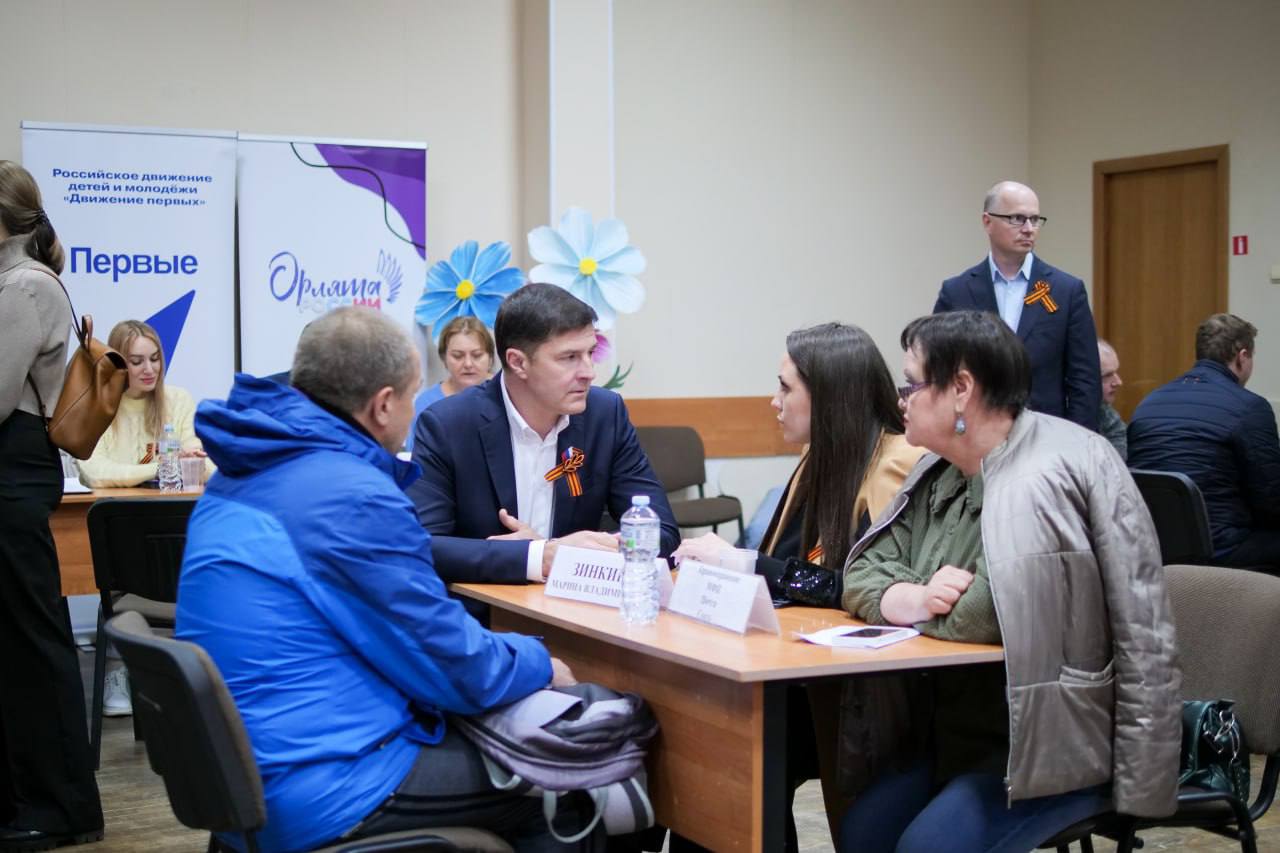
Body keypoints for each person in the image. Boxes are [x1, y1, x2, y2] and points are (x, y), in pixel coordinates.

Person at [175, 306, 600, 853]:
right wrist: (541, 662)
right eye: (411, 397)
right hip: (325, 783)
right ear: (382, 405)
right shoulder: (348, 495)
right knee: (574, 783)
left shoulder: (245, 469)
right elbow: (451, 665)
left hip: (241, 775)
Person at [838, 310, 1180, 853]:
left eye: (912, 384)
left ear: (961, 389)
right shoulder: (939, 469)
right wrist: (913, 596)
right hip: (953, 734)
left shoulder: (1059, 468)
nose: (901, 400)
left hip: (1052, 748)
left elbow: (981, 614)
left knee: (925, 848)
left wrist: (907, 597)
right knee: (861, 831)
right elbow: (858, 572)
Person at [673, 322, 924, 848]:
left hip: (869, 691)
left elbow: (864, 588)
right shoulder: (821, 456)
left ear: (830, 397)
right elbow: (790, 565)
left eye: (785, 388)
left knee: (731, 751)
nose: (774, 401)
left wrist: (744, 562)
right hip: (808, 671)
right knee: (708, 748)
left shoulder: (897, 464)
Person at [408, 283, 678, 584]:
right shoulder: (449, 425)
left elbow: (662, 532)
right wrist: (537, 556)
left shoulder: (605, 415)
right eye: (569, 357)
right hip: (483, 607)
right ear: (518, 362)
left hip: (576, 605)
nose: (589, 372)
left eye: (590, 353)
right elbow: (423, 545)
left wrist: (572, 553)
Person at [0, 160, 105, 849]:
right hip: (13, 472)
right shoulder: (19, 283)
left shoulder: (24, 286)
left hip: (13, 473)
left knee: (31, 642)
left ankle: (61, 806)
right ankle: (26, 798)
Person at [933, 180, 1101, 430]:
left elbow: (1084, 380)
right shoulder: (956, 291)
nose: (1029, 229)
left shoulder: (1066, 291)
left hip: (1045, 433)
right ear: (987, 222)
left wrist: (1077, 440)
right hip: (972, 433)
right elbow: (938, 370)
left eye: (1035, 219)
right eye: (1017, 219)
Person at [1128, 313, 1280, 571]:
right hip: (1223, 551)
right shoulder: (1249, 407)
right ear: (1242, 357)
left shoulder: (1148, 404)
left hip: (1155, 550)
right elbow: (1272, 501)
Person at [77, 319, 212, 488]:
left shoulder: (179, 400)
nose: (149, 369)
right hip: (114, 504)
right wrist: (163, 468)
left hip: (169, 503)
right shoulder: (95, 406)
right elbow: (94, 473)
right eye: (136, 362)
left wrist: (195, 463)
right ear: (118, 364)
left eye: (155, 359)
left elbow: (207, 466)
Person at [406, 316, 497, 453]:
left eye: (477, 355)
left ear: (490, 358)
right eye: (458, 356)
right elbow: (415, 457)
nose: (468, 364)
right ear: (444, 358)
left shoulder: (507, 395)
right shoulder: (426, 404)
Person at [1097, 338, 1127, 459]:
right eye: (1107, 375)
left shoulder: (1107, 415)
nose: (1118, 382)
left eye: (1116, 373)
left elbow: (1116, 465)